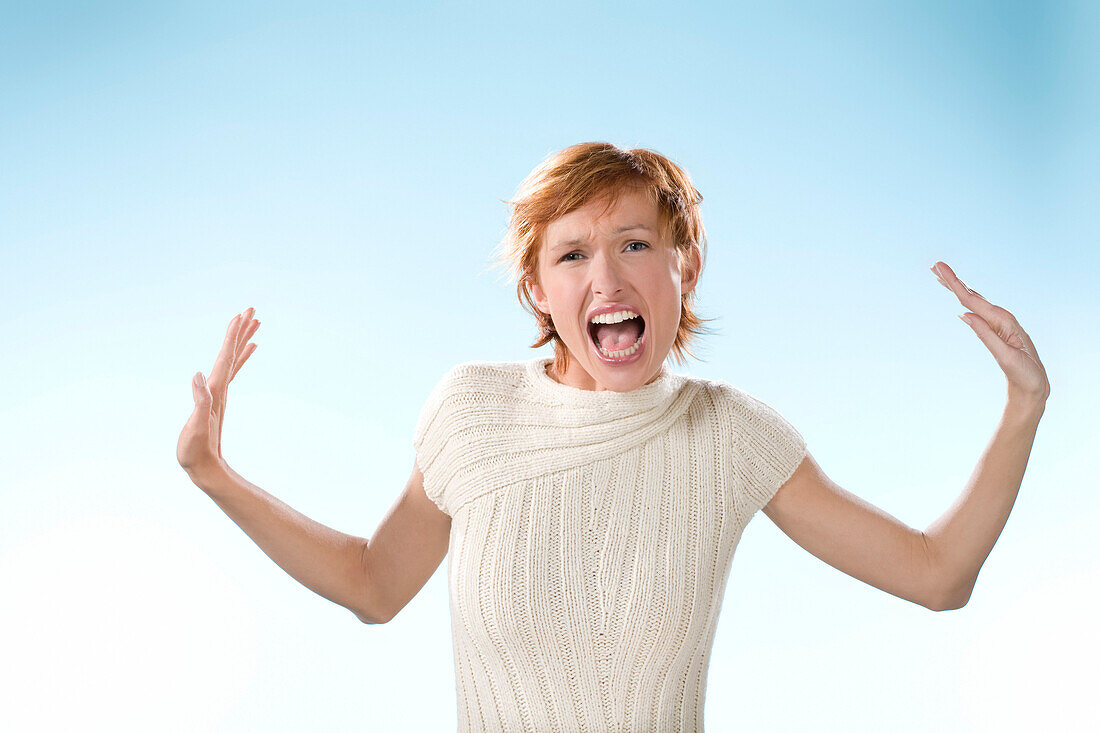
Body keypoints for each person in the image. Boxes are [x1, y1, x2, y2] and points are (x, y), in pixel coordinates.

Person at [176, 142, 1050, 732]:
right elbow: (373, 584)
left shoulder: (730, 434)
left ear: (684, 267)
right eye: (571, 255)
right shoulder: (470, 412)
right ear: (535, 289)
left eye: (636, 244)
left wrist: (1022, 408)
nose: (607, 278)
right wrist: (216, 475)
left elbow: (938, 577)